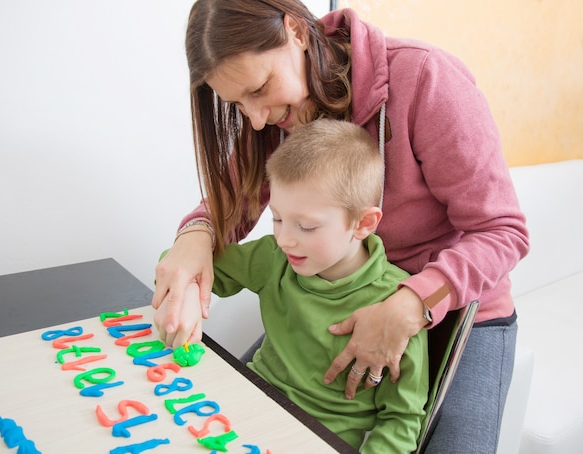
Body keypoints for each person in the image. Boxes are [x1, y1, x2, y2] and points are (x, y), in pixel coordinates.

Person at [152, 1, 530, 452]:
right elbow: (229, 203)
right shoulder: (275, 111)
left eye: (259, 89)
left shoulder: (426, 77)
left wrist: (409, 304)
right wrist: (195, 236)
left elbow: (503, 230)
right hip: (338, 302)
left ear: (294, 31)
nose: (254, 118)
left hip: (460, 312)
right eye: (237, 104)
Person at [155, 118, 429, 452]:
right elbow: (184, 265)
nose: (285, 239)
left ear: (364, 223)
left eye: (307, 227)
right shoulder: (274, 258)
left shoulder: (396, 307)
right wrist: (184, 298)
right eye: (278, 219)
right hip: (237, 411)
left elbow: (401, 421)